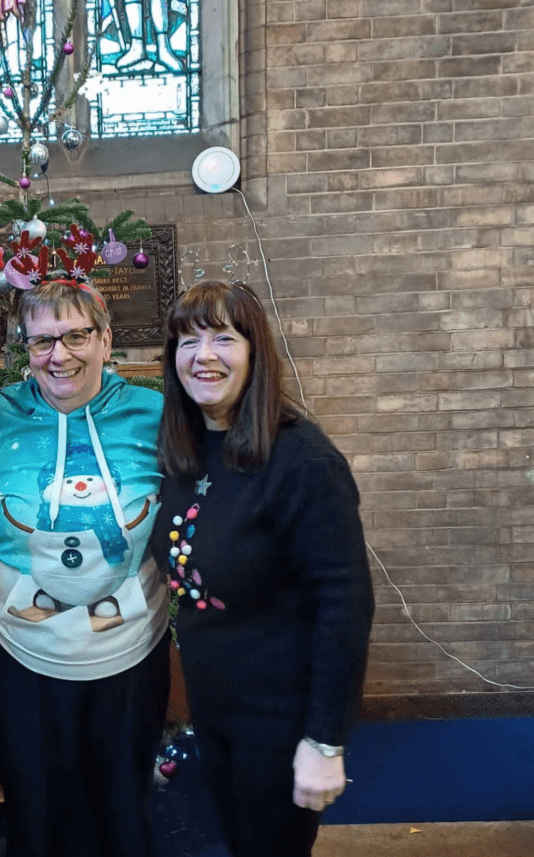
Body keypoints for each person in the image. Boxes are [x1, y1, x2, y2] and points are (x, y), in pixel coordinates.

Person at [152, 280, 375, 857]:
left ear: (255, 352)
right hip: (217, 710)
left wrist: (325, 741)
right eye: (187, 341)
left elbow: (344, 606)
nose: (203, 356)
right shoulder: (189, 450)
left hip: (280, 720)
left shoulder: (303, 461)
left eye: (223, 338)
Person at [0, 278, 170, 857]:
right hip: (24, 654)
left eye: (76, 335)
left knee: (122, 807)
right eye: (41, 342)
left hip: (131, 648)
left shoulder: (155, 415)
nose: (58, 355)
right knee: (36, 811)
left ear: (106, 341)